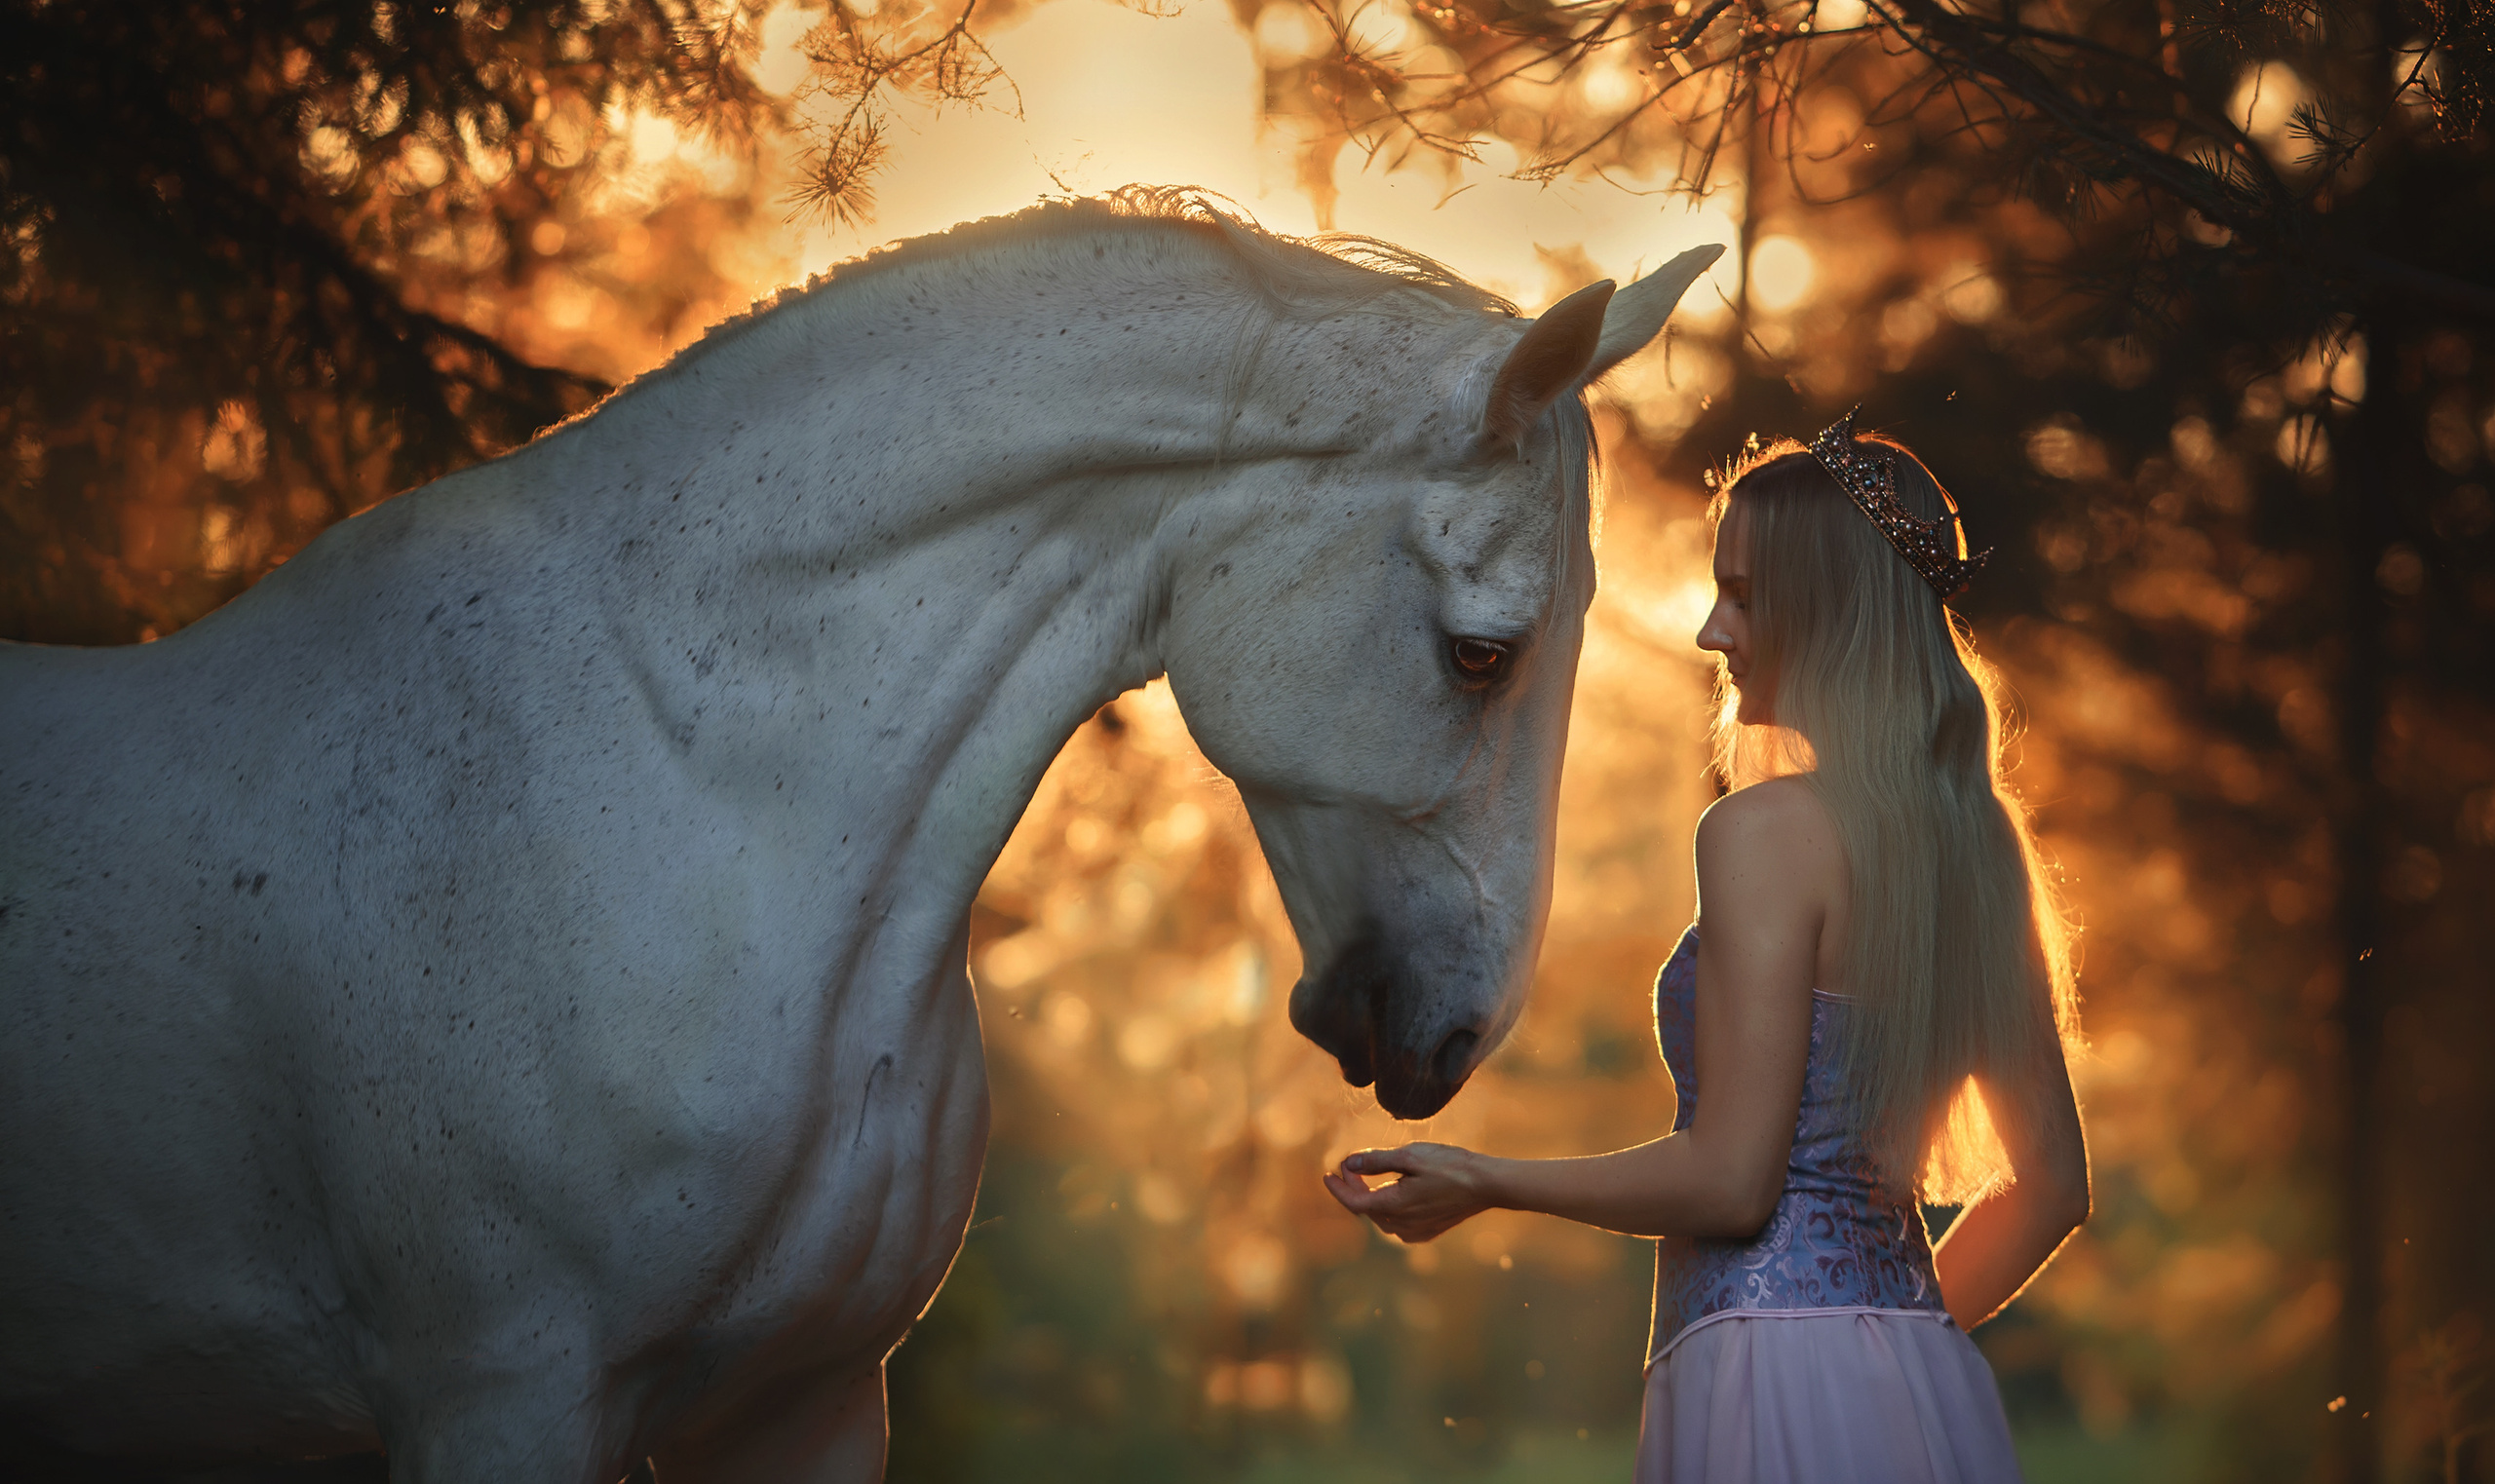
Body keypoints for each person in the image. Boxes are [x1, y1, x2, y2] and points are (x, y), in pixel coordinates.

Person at [1324, 411, 2091, 1483]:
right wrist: (1880, 1348)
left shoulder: (1762, 832)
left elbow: (1733, 1183)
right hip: (1924, 1386)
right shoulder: (1978, 844)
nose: (1709, 631)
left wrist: (1485, 1178)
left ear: (1824, 608)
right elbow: (2051, 1185)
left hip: (1764, 1375)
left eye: (1741, 593)